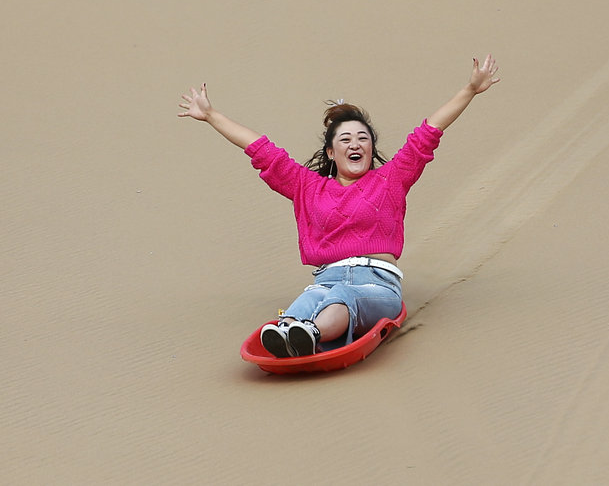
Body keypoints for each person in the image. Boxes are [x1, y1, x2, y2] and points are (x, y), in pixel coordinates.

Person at [178, 55, 500, 357]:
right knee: (311, 299)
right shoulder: (307, 187)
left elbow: (428, 133)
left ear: (372, 149)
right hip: (325, 279)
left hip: (377, 284)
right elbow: (261, 150)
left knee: (343, 298)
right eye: (345, 140)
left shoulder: (390, 179)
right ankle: (290, 330)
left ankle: (311, 335)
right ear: (332, 153)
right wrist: (210, 115)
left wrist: (470, 89)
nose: (355, 144)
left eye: (362, 138)